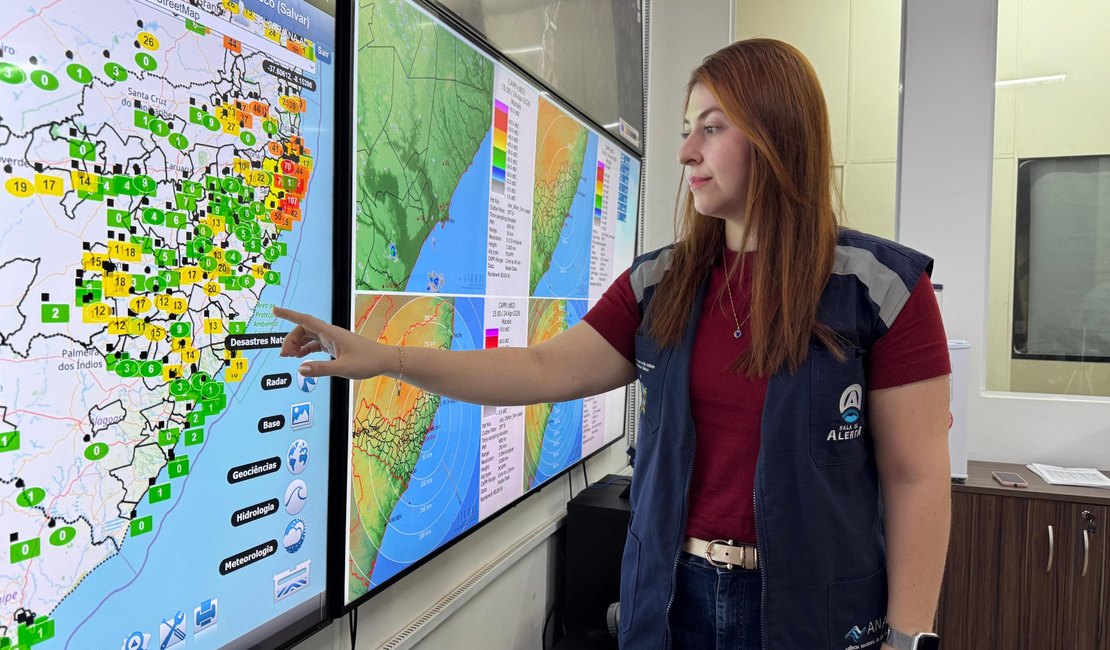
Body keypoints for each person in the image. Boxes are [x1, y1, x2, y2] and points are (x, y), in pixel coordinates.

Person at [275, 38, 952, 650]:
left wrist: (907, 636)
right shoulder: (663, 283)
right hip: (670, 604)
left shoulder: (881, 288)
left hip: (816, 612)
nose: (686, 151)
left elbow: (915, 476)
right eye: (687, 131)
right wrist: (387, 357)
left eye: (711, 130)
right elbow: (539, 367)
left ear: (778, 135)